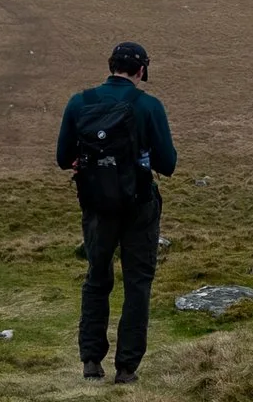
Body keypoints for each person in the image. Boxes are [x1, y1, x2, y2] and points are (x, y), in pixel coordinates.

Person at [54, 41, 177, 384]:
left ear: (110, 66)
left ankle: (91, 361)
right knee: (137, 283)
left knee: (97, 278)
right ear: (141, 71)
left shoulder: (80, 102)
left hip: (96, 205)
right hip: (139, 204)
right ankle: (127, 368)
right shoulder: (149, 106)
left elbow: (63, 158)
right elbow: (168, 163)